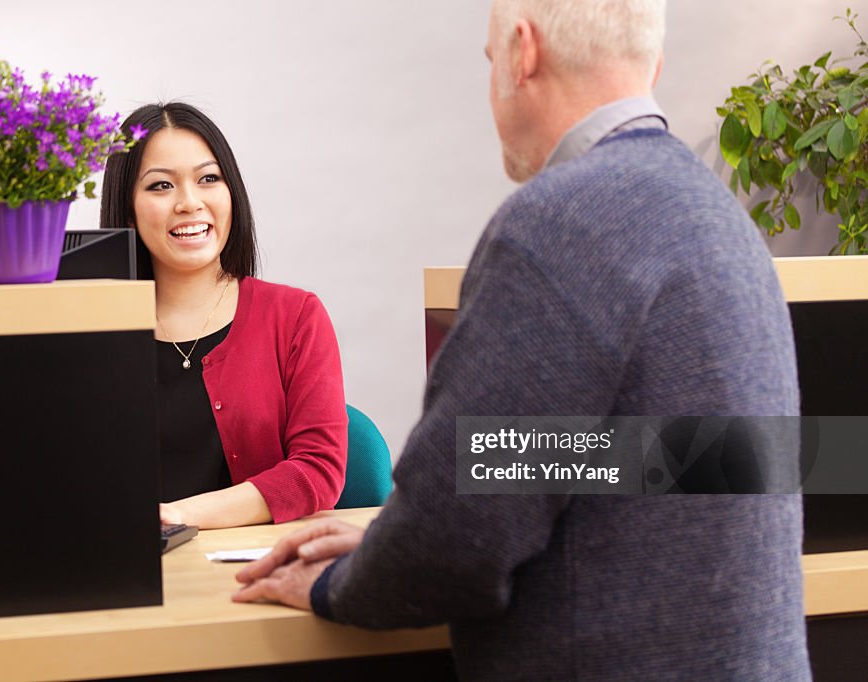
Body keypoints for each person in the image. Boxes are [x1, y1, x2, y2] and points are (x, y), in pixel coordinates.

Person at [234, 1, 811, 679]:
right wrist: (386, 535)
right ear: (653, 62)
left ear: (521, 51)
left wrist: (340, 580)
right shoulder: (718, 217)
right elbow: (632, 467)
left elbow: (457, 541)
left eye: (488, 62)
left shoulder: (561, 225)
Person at [100, 102, 347, 529]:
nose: (189, 203)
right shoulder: (92, 330)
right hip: (127, 576)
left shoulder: (294, 316)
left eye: (208, 179)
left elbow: (318, 471)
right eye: (161, 186)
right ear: (128, 210)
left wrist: (178, 516)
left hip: (248, 571)